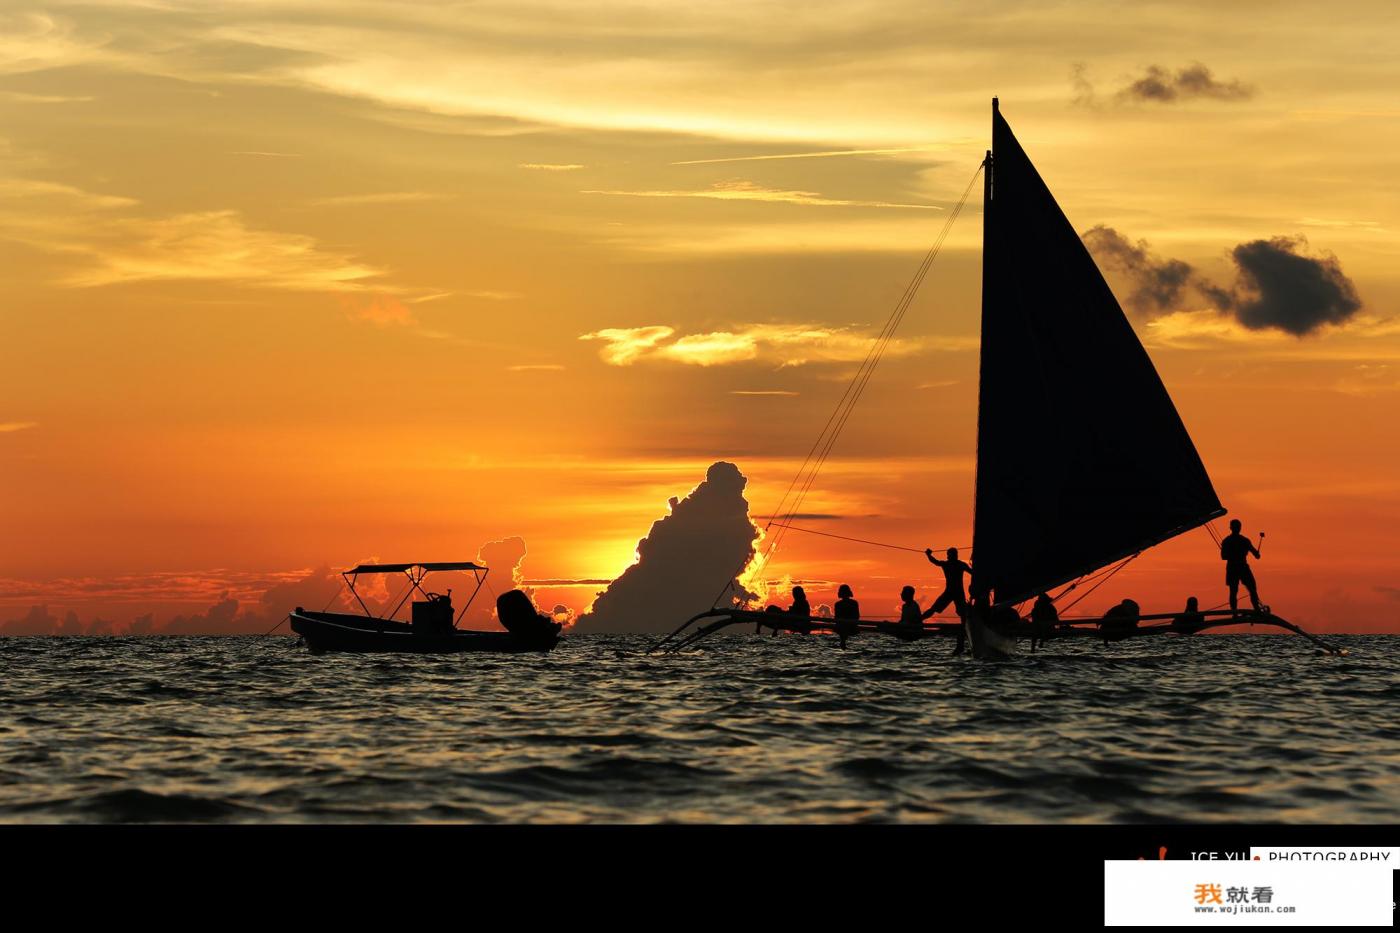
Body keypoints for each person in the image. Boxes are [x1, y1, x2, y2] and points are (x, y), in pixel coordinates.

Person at [1219, 519, 1263, 617]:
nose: (1237, 528)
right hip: (1241, 567)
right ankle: (1255, 610)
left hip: (1234, 567)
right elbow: (1256, 555)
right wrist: (1256, 554)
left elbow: (1223, 556)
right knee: (1248, 589)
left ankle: (1237, 612)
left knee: (1237, 590)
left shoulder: (1227, 541)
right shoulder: (1243, 540)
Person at [924, 547, 973, 619]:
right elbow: (972, 572)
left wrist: (928, 555)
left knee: (963, 613)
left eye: (949, 555)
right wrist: (929, 555)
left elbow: (935, 562)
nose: (948, 556)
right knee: (963, 613)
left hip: (951, 592)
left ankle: (918, 620)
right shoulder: (959, 564)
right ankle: (918, 620)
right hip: (956, 592)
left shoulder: (949, 564)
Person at [833, 584, 859, 649]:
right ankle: (843, 642)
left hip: (845, 626)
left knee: (842, 632)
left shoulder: (838, 604)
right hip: (850, 626)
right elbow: (857, 616)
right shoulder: (854, 603)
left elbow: (836, 617)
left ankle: (843, 642)